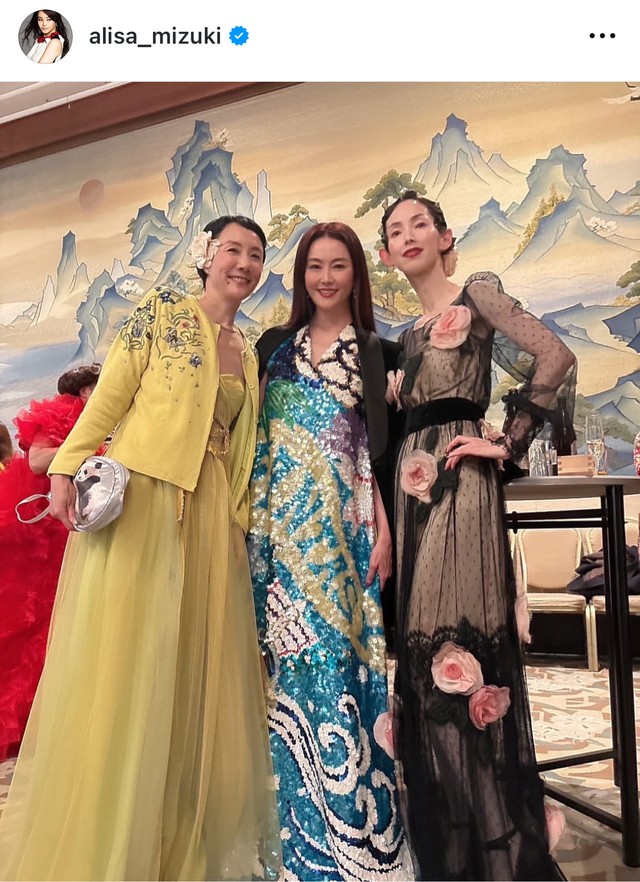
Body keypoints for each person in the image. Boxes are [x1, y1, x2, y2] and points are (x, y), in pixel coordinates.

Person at [0, 216, 282, 882]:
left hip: (210, 515)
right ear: (208, 256)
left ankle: (175, 834)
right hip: (147, 501)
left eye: (255, 254)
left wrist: (240, 522)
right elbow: (110, 399)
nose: (243, 263)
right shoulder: (162, 313)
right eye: (232, 250)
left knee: (190, 669)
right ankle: (112, 835)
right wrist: (64, 469)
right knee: (129, 663)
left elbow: (243, 446)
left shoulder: (245, 349)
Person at [379, 191, 576, 881]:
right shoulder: (407, 333)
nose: (408, 236)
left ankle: (498, 852)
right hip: (413, 498)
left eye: (419, 225)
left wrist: (508, 441)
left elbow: (554, 356)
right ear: (385, 254)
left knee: (456, 655)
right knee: (424, 669)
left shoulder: (478, 295)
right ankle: (459, 850)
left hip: (462, 494)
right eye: (394, 230)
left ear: (444, 237)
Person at [247, 221, 412, 880]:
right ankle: (292, 844)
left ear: (355, 274)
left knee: (342, 674)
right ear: (301, 275)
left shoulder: (378, 353)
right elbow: (251, 440)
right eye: (314, 266)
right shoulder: (272, 346)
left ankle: (356, 838)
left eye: (337, 265)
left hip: (345, 540)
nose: (325, 278)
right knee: (281, 680)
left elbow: (381, 453)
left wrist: (387, 530)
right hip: (275, 542)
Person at [0, 364, 101, 762]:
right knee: (36, 626)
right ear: (83, 392)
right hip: (39, 534)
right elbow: (39, 461)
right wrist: (90, 448)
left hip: (70, 531)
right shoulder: (59, 415)